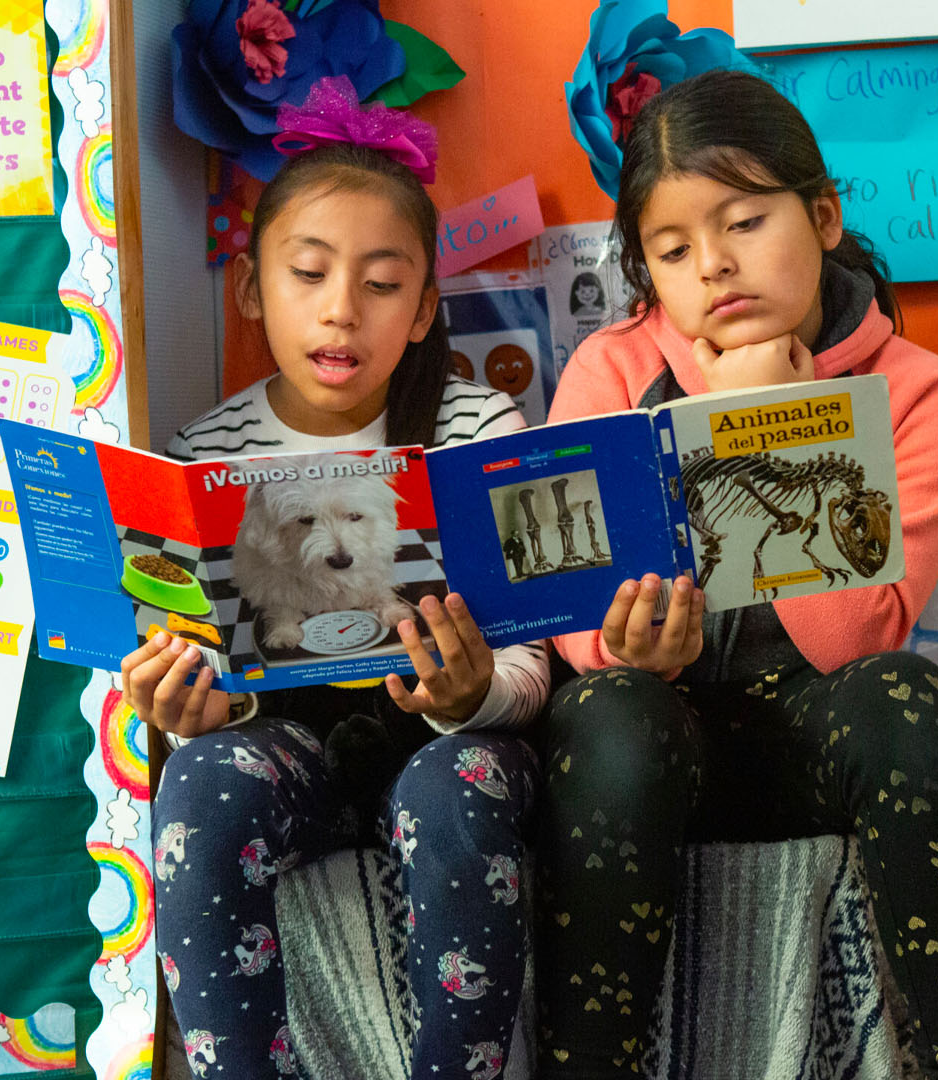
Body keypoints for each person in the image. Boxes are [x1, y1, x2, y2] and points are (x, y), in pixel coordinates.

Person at [536, 70, 938, 1079]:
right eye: (674, 250)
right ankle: (590, 1064)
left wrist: (773, 427)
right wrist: (618, 646)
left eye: (746, 221)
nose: (714, 265)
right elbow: (568, 615)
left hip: (813, 731)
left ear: (825, 216)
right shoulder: (611, 374)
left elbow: (858, 640)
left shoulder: (918, 395)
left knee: (912, 697)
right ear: (646, 272)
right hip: (656, 746)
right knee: (614, 707)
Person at [124, 77, 547, 1080]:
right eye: (307, 273)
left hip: (448, 744)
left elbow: (535, 670)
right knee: (201, 781)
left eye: (381, 282)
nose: (340, 310)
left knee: (463, 784)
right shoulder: (199, 457)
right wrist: (177, 706)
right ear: (250, 290)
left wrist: (473, 692)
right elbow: (174, 661)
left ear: (422, 309)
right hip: (286, 750)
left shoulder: (480, 431)